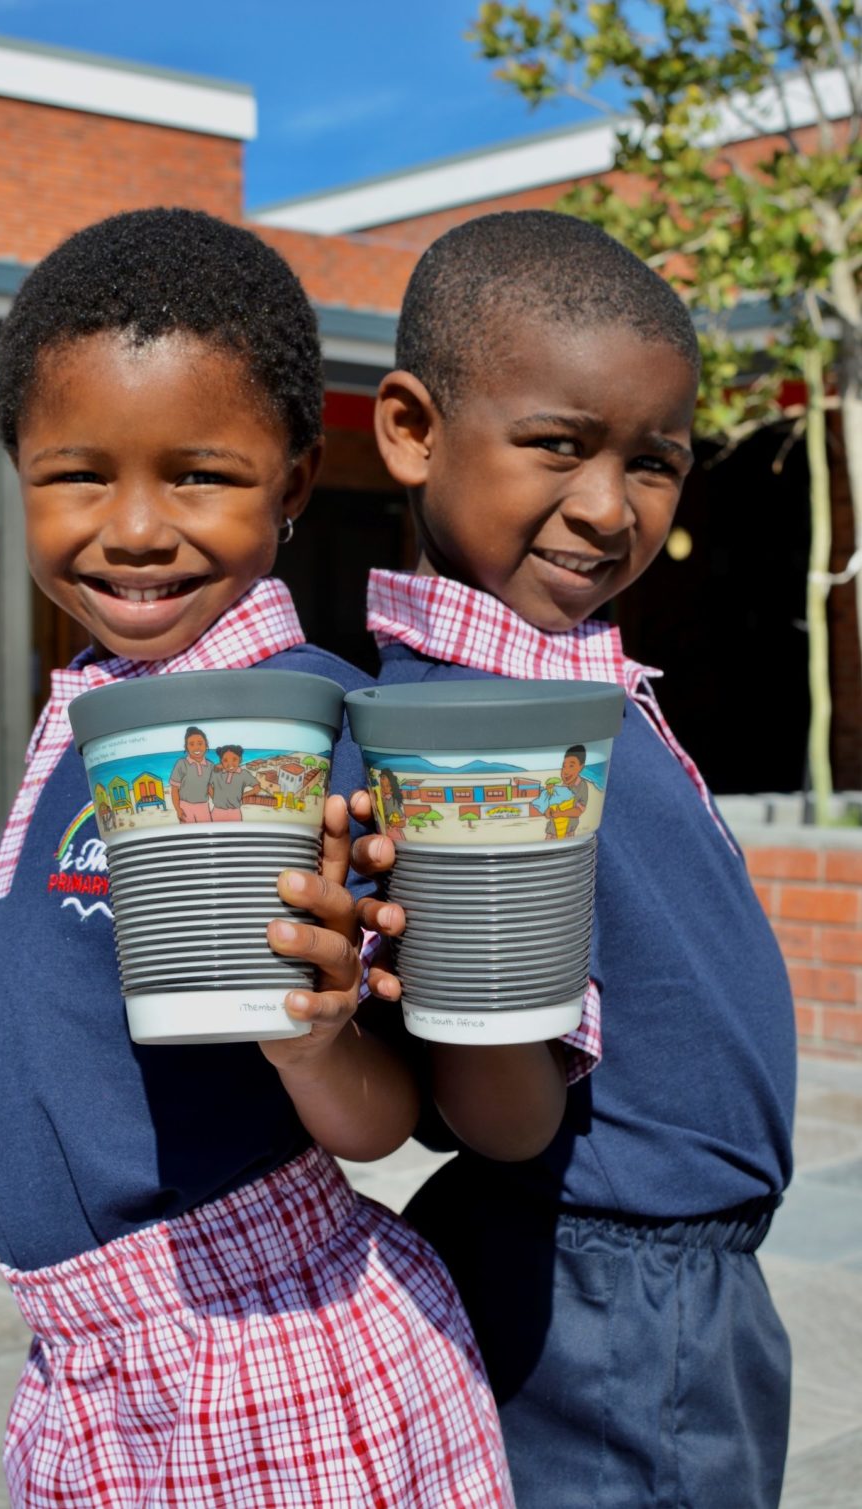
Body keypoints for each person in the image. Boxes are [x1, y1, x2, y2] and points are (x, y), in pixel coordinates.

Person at [0, 208, 518, 1508]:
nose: (137, 528)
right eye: (78, 474)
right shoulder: (88, 700)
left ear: (296, 481)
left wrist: (315, 1038)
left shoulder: (300, 724)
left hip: (253, 1356)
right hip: (95, 1370)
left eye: (198, 473)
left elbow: (383, 1120)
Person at [353, 210, 795, 1509]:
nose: (609, 508)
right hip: (614, 1290)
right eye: (558, 445)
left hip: (660, 1273)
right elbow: (492, 1102)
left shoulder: (545, 672)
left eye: (656, 462)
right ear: (412, 429)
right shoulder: (463, 723)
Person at [169, 725, 213, 822]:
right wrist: (178, 809)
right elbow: (174, 789)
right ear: (186, 747)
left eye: (200, 743)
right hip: (185, 806)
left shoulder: (210, 766)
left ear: (206, 745)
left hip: (204, 806)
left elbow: (210, 787)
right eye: (191, 744)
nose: (196, 747)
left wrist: (218, 802)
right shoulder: (181, 764)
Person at [208, 743, 262, 820]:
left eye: (234, 759)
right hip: (217, 811)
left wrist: (242, 796)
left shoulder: (243, 774)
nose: (230, 764)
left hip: (235, 812)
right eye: (225, 760)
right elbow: (208, 785)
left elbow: (257, 788)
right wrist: (214, 797)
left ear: (240, 759)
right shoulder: (217, 773)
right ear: (221, 761)